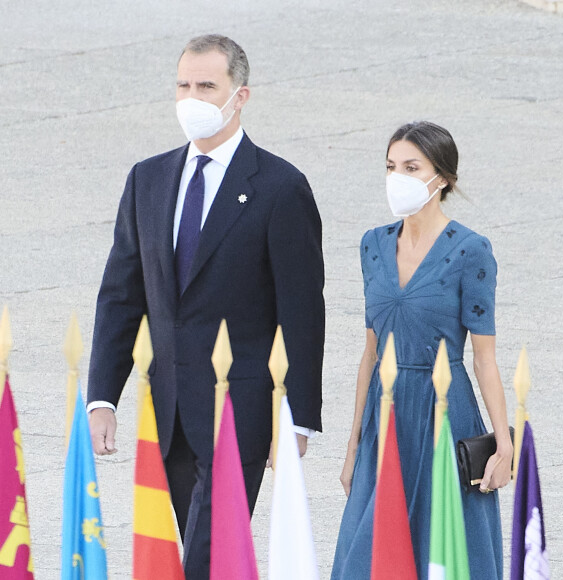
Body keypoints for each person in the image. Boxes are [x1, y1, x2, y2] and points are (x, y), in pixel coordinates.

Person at [87, 34, 325, 579]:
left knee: (206, 553)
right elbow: (121, 294)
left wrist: (299, 418)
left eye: (207, 86)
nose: (192, 97)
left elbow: (302, 310)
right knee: (207, 555)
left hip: (240, 409)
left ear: (240, 96)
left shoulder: (280, 187)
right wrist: (103, 395)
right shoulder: (147, 179)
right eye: (184, 85)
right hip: (169, 407)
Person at [331, 121, 512, 579]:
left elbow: (484, 358)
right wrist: (353, 442)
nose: (398, 178)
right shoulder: (373, 245)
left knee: (445, 547)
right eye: (391, 166)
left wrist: (504, 441)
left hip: (444, 413)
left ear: (443, 178)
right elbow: (369, 353)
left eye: (412, 167)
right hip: (385, 412)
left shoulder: (472, 251)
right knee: (369, 554)